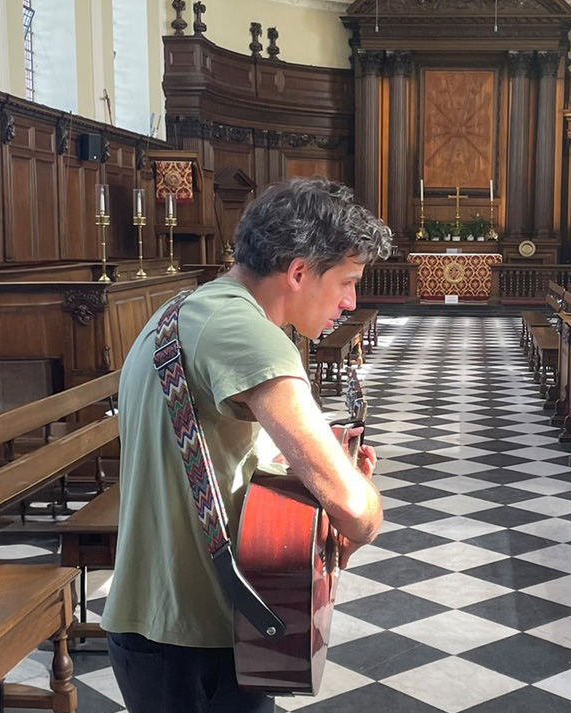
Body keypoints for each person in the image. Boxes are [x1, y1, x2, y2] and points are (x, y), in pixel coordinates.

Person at [101, 177, 393, 713]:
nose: (351, 302)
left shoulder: (180, 312)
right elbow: (355, 512)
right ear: (300, 271)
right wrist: (360, 490)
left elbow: (213, 455)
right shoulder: (248, 334)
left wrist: (302, 457)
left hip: (153, 627)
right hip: (202, 641)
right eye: (347, 282)